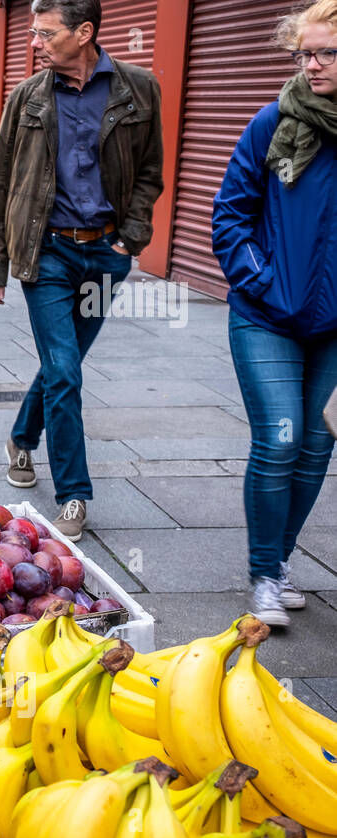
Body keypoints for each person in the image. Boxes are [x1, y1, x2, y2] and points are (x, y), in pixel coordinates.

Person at [0, 0, 163, 541]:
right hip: (49, 252)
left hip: (106, 252)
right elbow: (4, 180)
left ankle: (20, 436)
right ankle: (74, 494)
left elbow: (151, 169)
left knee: (66, 365)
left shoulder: (138, 88)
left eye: (44, 32)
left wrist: (131, 237)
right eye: (32, 31)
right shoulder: (27, 96)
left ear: (84, 33)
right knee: (64, 370)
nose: (34, 41)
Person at [211, 0, 337, 627]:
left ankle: (278, 563)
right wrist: (262, 279)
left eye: (325, 53)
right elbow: (229, 214)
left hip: (335, 326)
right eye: (303, 53)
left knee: (317, 447)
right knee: (281, 437)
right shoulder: (273, 123)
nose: (310, 65)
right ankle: (264, 575)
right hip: (266, 315)